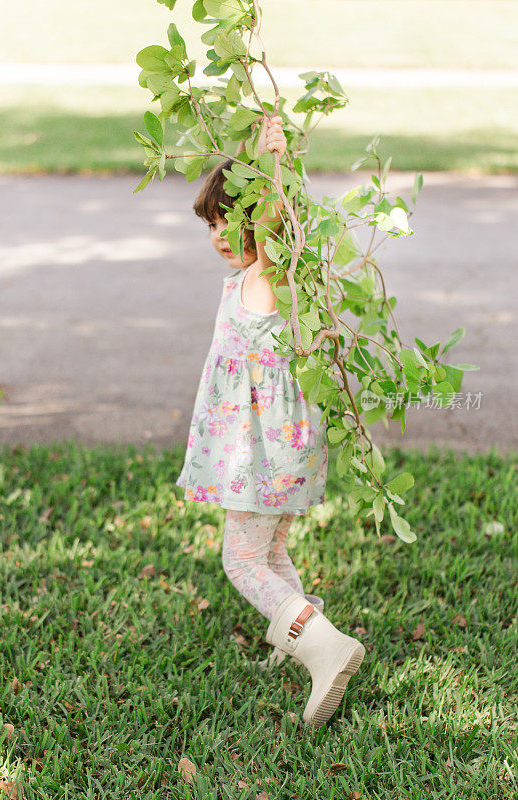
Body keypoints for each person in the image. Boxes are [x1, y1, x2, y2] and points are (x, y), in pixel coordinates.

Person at [175, 115, 365, 726]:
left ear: (263, 219)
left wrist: (274, 156)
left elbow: (279, 214)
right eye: (211, 223)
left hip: (261, 451)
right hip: (274, 448)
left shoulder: (268, 277)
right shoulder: (243, 281)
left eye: (231, 218)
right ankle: (296, 641)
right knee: (272, 547)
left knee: (242, 560)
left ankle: (324, 646)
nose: (220, 233)